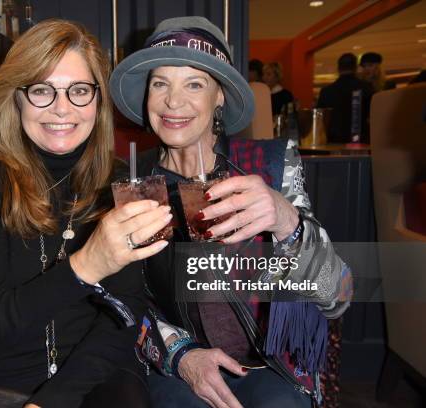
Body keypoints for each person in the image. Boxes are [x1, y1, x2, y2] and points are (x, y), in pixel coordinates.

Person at [111, 16, 353, 408]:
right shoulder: (133, 183)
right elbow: (120, 302)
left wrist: (285, 219)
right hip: (175, 364)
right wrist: (180, 354)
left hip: (269, 366)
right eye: (160, 83)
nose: (174, 101)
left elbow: (337, 295)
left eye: (194, 83)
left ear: (219, 95)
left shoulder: (270, 166)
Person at [0, 19, 172, 408]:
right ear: (17, 96)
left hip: (90, 380)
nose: (62, 109)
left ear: (98, 100)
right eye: (42, 90)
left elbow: (123, 318)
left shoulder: (116, 180)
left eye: (79, 90)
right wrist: (83, 269)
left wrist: (54, 401)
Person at [317, 53, 374, 144]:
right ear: (355, 68)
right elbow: (371, 117)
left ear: (338, 68)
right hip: (359, 141)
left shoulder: (326, 91)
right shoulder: (366, 88)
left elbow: (320, 120)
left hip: (333, 141)